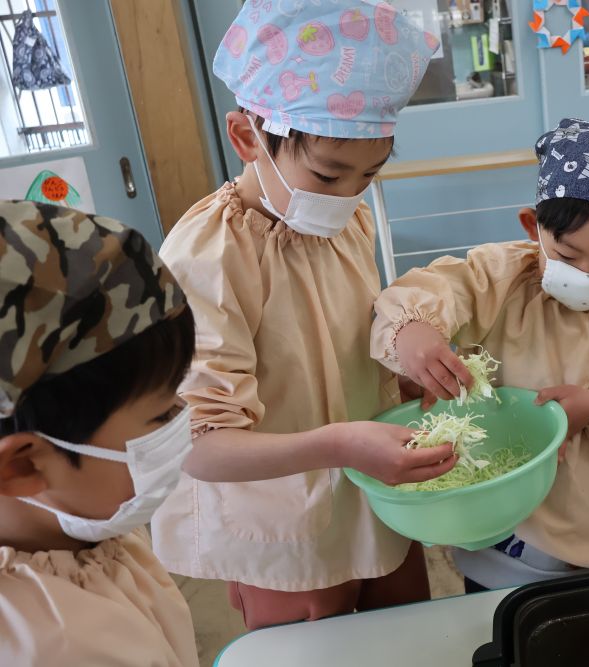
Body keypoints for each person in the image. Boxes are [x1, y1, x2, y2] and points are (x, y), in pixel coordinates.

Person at [150, 0, 455, 631]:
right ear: (246, 137)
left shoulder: (347, 220)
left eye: (369, 174)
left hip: (374, 490)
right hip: (282, 522)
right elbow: (199, 447)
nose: (347, 197)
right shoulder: (209, 255)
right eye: (327, 173)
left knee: (404, 636)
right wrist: (343, 443)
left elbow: (338, 334)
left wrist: (399, 368)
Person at [371, 119, 589, 590]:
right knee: (498, 618)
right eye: (567, 256)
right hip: (495, 500)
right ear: (533, 227)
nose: (587, 275)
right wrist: (413, 327)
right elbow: (436, 287)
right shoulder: (501, 276)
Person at [0, 200, 198, 666]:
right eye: (162, 415)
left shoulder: (83, 521)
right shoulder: (63, 647)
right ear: (23, 464)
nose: (184, 422)